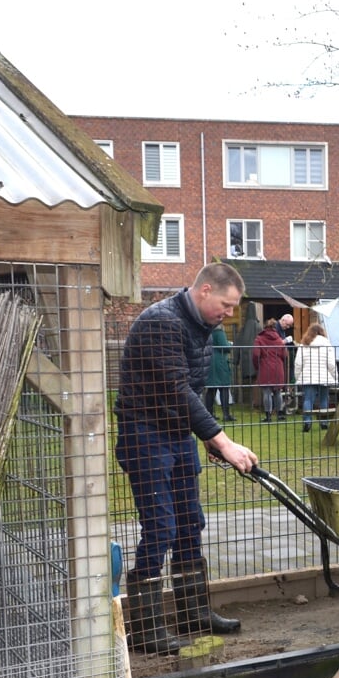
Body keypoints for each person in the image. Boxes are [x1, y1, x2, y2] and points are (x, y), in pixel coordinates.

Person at [116, 263, 258, 653]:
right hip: (144, 436)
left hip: (176, 435)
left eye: (233, 309)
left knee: (190, 523)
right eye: (227, 305)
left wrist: (208, 440)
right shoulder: (160, 323)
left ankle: (192, 612)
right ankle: (145, 629)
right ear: (205, 290)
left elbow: (194, 389)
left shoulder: (202, 328)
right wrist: (222, 440)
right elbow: (176, 390)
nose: (229, 314)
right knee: (161, 526)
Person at [294, 322, 338, 432]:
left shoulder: (304, 344)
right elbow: (331, 363)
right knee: (324, 399)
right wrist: (335, 377)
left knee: (308, 399)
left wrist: (298, 376)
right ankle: (324, 422)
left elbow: (298, 363)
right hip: (324, 376)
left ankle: (307, 422)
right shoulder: (327, 344)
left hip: (308, 376)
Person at [254, 318, 289, 422]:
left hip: (265, 367)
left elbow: (256, 354)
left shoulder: (259, 339)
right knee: (278, 392)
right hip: (278, 368)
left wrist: (257, 366)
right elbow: (285, 354)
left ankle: (268, 416)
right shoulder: (279, 339)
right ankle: (279, 414)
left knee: (267, 392)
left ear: (265, 327)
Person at [204, 323, 237, 422]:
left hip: (209, 361)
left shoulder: (207, 331)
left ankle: (209, 415)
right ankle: (226, 415)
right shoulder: (219, 332)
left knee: (211, 390)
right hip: (220, 363)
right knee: (224, 388)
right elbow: (224, 347)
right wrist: (230, 344)